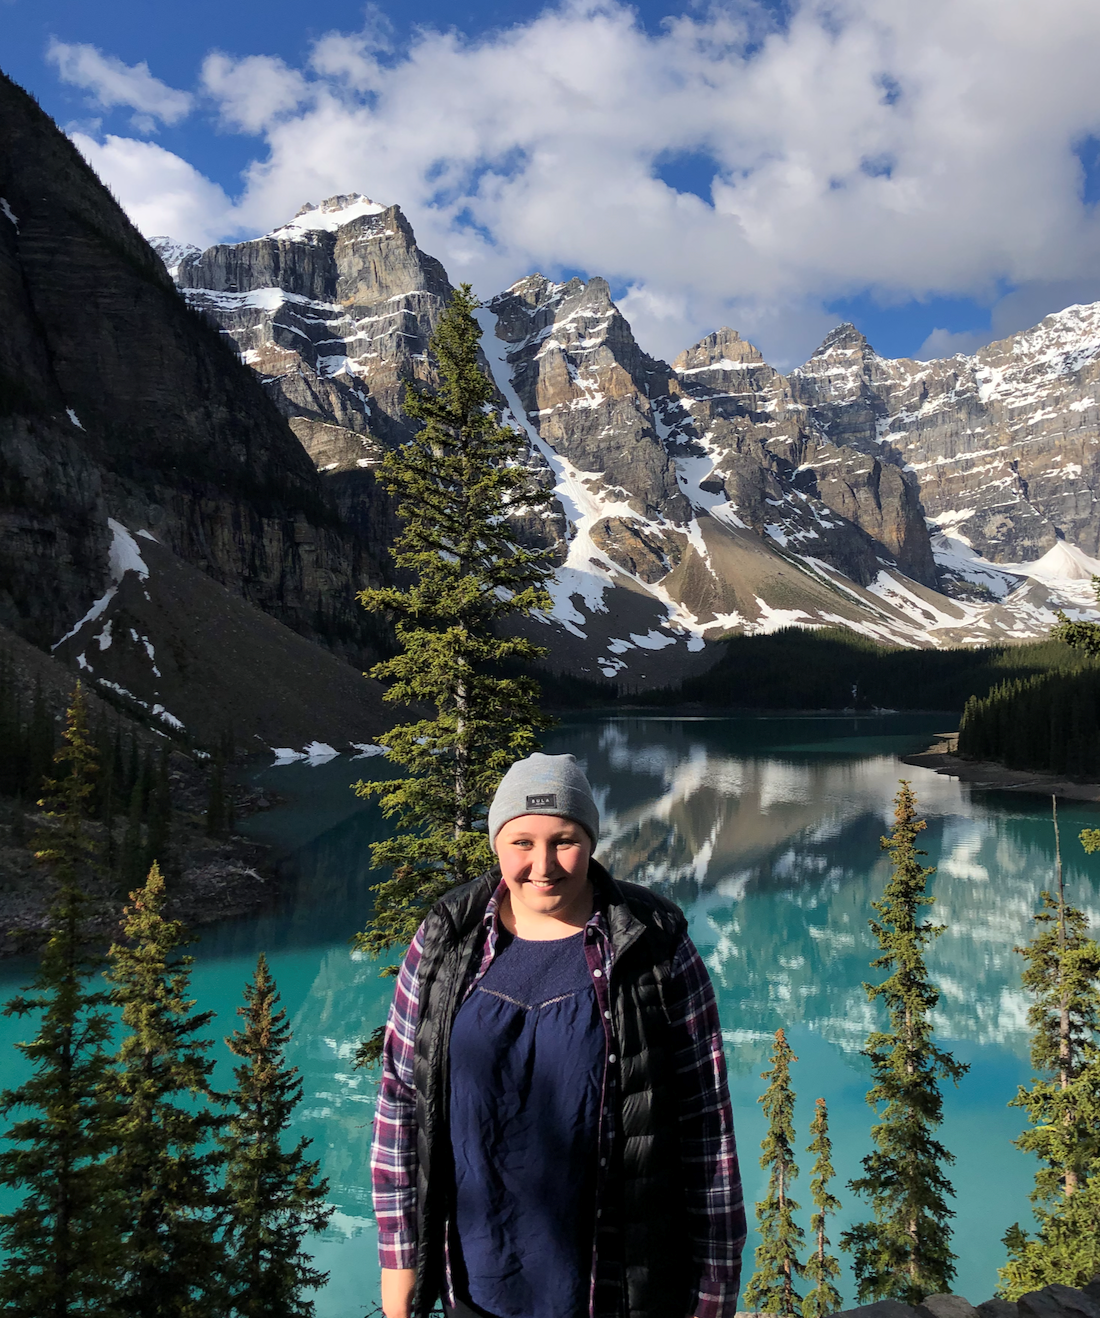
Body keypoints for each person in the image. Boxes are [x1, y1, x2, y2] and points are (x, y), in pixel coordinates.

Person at [371, 752, 746, 1318]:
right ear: (496, 842)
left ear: (592, 841)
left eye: (564, 839)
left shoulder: (654, 943)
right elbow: (400, 1102)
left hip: (614, 1290)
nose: (542, 864)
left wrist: (714, 1289)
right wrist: (399, 1266)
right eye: (522, 841)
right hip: (473, 1285)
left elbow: (706, 1126)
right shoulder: (445, 940)